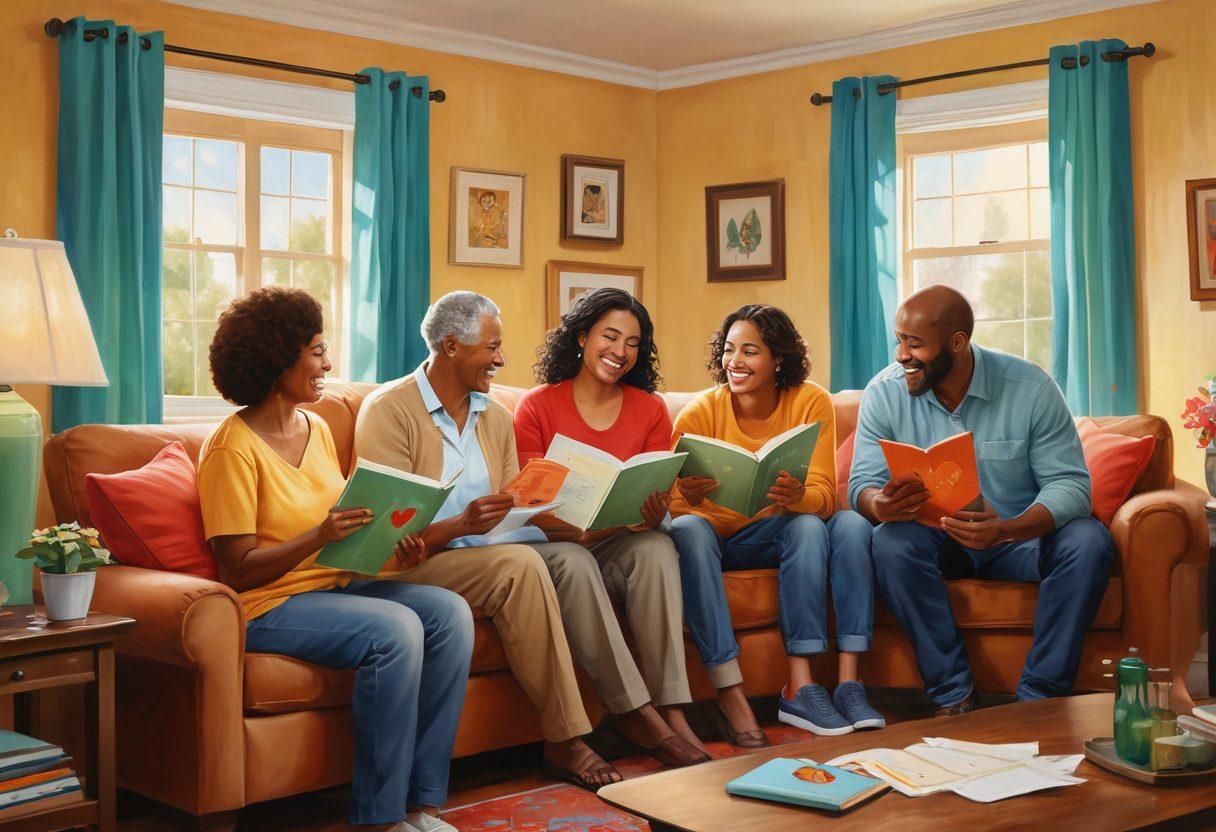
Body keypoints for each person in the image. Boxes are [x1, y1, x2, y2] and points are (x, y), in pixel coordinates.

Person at [197, 287, 472, 832]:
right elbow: (238, 569)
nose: (328, 365)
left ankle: (423, 804)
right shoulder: (230, 448)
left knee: (450, 614)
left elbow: (350, 530)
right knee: (394, 630)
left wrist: (400, 543)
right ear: (279, 359)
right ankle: (380, 818)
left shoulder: (316, 428)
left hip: (337, 585)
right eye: (317, 351)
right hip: (268, 604)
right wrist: (318, 534)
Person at [354, 291, 621, 790]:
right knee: (520, 567)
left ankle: (629, 708)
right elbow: (387, 539)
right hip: (415, 562)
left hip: (483, 551)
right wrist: (461, 526)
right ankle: (565, 737)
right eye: (492, 347)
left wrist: (564, 517)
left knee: (569, 557)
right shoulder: (389, 410)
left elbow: (509, 507)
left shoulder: (493, 415)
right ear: (451, 347)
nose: (501, 359)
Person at [849, 285, 1114, 715]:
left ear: (957, 343)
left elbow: (1070, 485)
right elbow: (862, 482)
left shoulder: (1030, 387)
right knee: (890, 542)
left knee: (1089, 540)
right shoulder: (884, 392)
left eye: (914, 344)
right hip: (936, 541)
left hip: (1018, 540)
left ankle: (1039, 698)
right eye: (899, 341)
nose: (901, 356)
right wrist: (879, 504)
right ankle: (953, 695)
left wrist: (1006, 530)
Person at [668, 304, 883, 745]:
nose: (735, 361)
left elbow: (824, 496)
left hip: (775, 531)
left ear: (778, 358)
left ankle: (810, 685)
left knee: (815, 525)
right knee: (689, 530)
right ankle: (735, 687)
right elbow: (672, 507)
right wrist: (692, 497)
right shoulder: (698, 414)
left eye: (750, 351)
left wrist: (795, 496)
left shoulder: (810, 401)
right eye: (729, 350)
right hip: (716, 539)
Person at [514, 288, 709, 765]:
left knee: (658, 547)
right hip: (558, 544)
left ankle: (673, 710)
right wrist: (576, 529)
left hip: (618, 539)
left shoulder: (650, 408)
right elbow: (527, 504)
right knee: (575, 558)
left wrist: (655, 510)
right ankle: (637, 715)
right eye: (610, 336)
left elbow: (654, 491)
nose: (620, 351)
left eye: (633, 343)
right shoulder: (536, 406)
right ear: (582, 337)